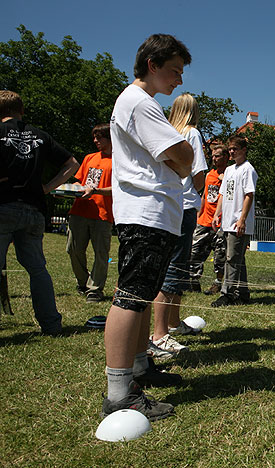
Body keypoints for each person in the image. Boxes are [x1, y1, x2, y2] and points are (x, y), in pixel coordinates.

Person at [102, 34, 194, 421]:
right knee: (130, 296)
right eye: (174, 71)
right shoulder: (141, 104)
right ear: (152, 65)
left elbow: (180, 161)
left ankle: (139, 368)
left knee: (138, 295)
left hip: (152, 214)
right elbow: (184, 157)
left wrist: (179, 160)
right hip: (146, 213)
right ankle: (119, 391)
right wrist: (181, 156)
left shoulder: (142, 104)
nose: (179, 80)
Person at [0, 90, 79, 335]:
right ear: (22, 111)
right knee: (37, 269)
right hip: (34, 210)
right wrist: (47, 187)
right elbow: (72, 164)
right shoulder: (40, 135)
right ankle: (51, 324)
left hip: (3, 205)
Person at [149, 93, 208, 358]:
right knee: (175, 267)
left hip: (166, 204)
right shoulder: (192, 134)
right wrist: (192, 194)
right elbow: (199, 175)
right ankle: (161, 333)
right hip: (183, 206)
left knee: (172, 264)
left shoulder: (166, 131)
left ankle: (172, 323)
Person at [66, 123, 113, 303]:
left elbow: (118, 188)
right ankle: (83, 282)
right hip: (79, 210)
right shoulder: (89, 158)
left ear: (110, 138)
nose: (95, 141)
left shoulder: (119, 161)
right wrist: (67, 191)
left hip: (103, 214)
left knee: (101, 254)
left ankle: (95, 289)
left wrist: (96, 191)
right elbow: (80, 182)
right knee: (73, 249)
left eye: (99, 137)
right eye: (94, 137)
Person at [211, 135, 257, 307]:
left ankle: (227, 294)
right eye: (230, 149)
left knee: (232, 258)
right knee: (238, 258)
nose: (231, 151)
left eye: (234, 149)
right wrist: (217, 213)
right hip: (227, 220)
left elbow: (249, 195)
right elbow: (223, 193)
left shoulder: (248, 169)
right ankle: (243, 293)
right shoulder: (230, 170)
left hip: (238, 221)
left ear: (243, 150)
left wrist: (242, 220)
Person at [187, 143, 229, 296]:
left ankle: (217, 283)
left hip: (221, 222)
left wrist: (225, 179)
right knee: (195, 251)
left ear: (226, 157)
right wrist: (200, 213)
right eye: (212, 156)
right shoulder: (209, 174)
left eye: (217, 156)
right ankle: (193, 280)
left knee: (220, 255)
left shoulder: (230, 174)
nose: (214, 158)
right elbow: (205, 194)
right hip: (205, 220)